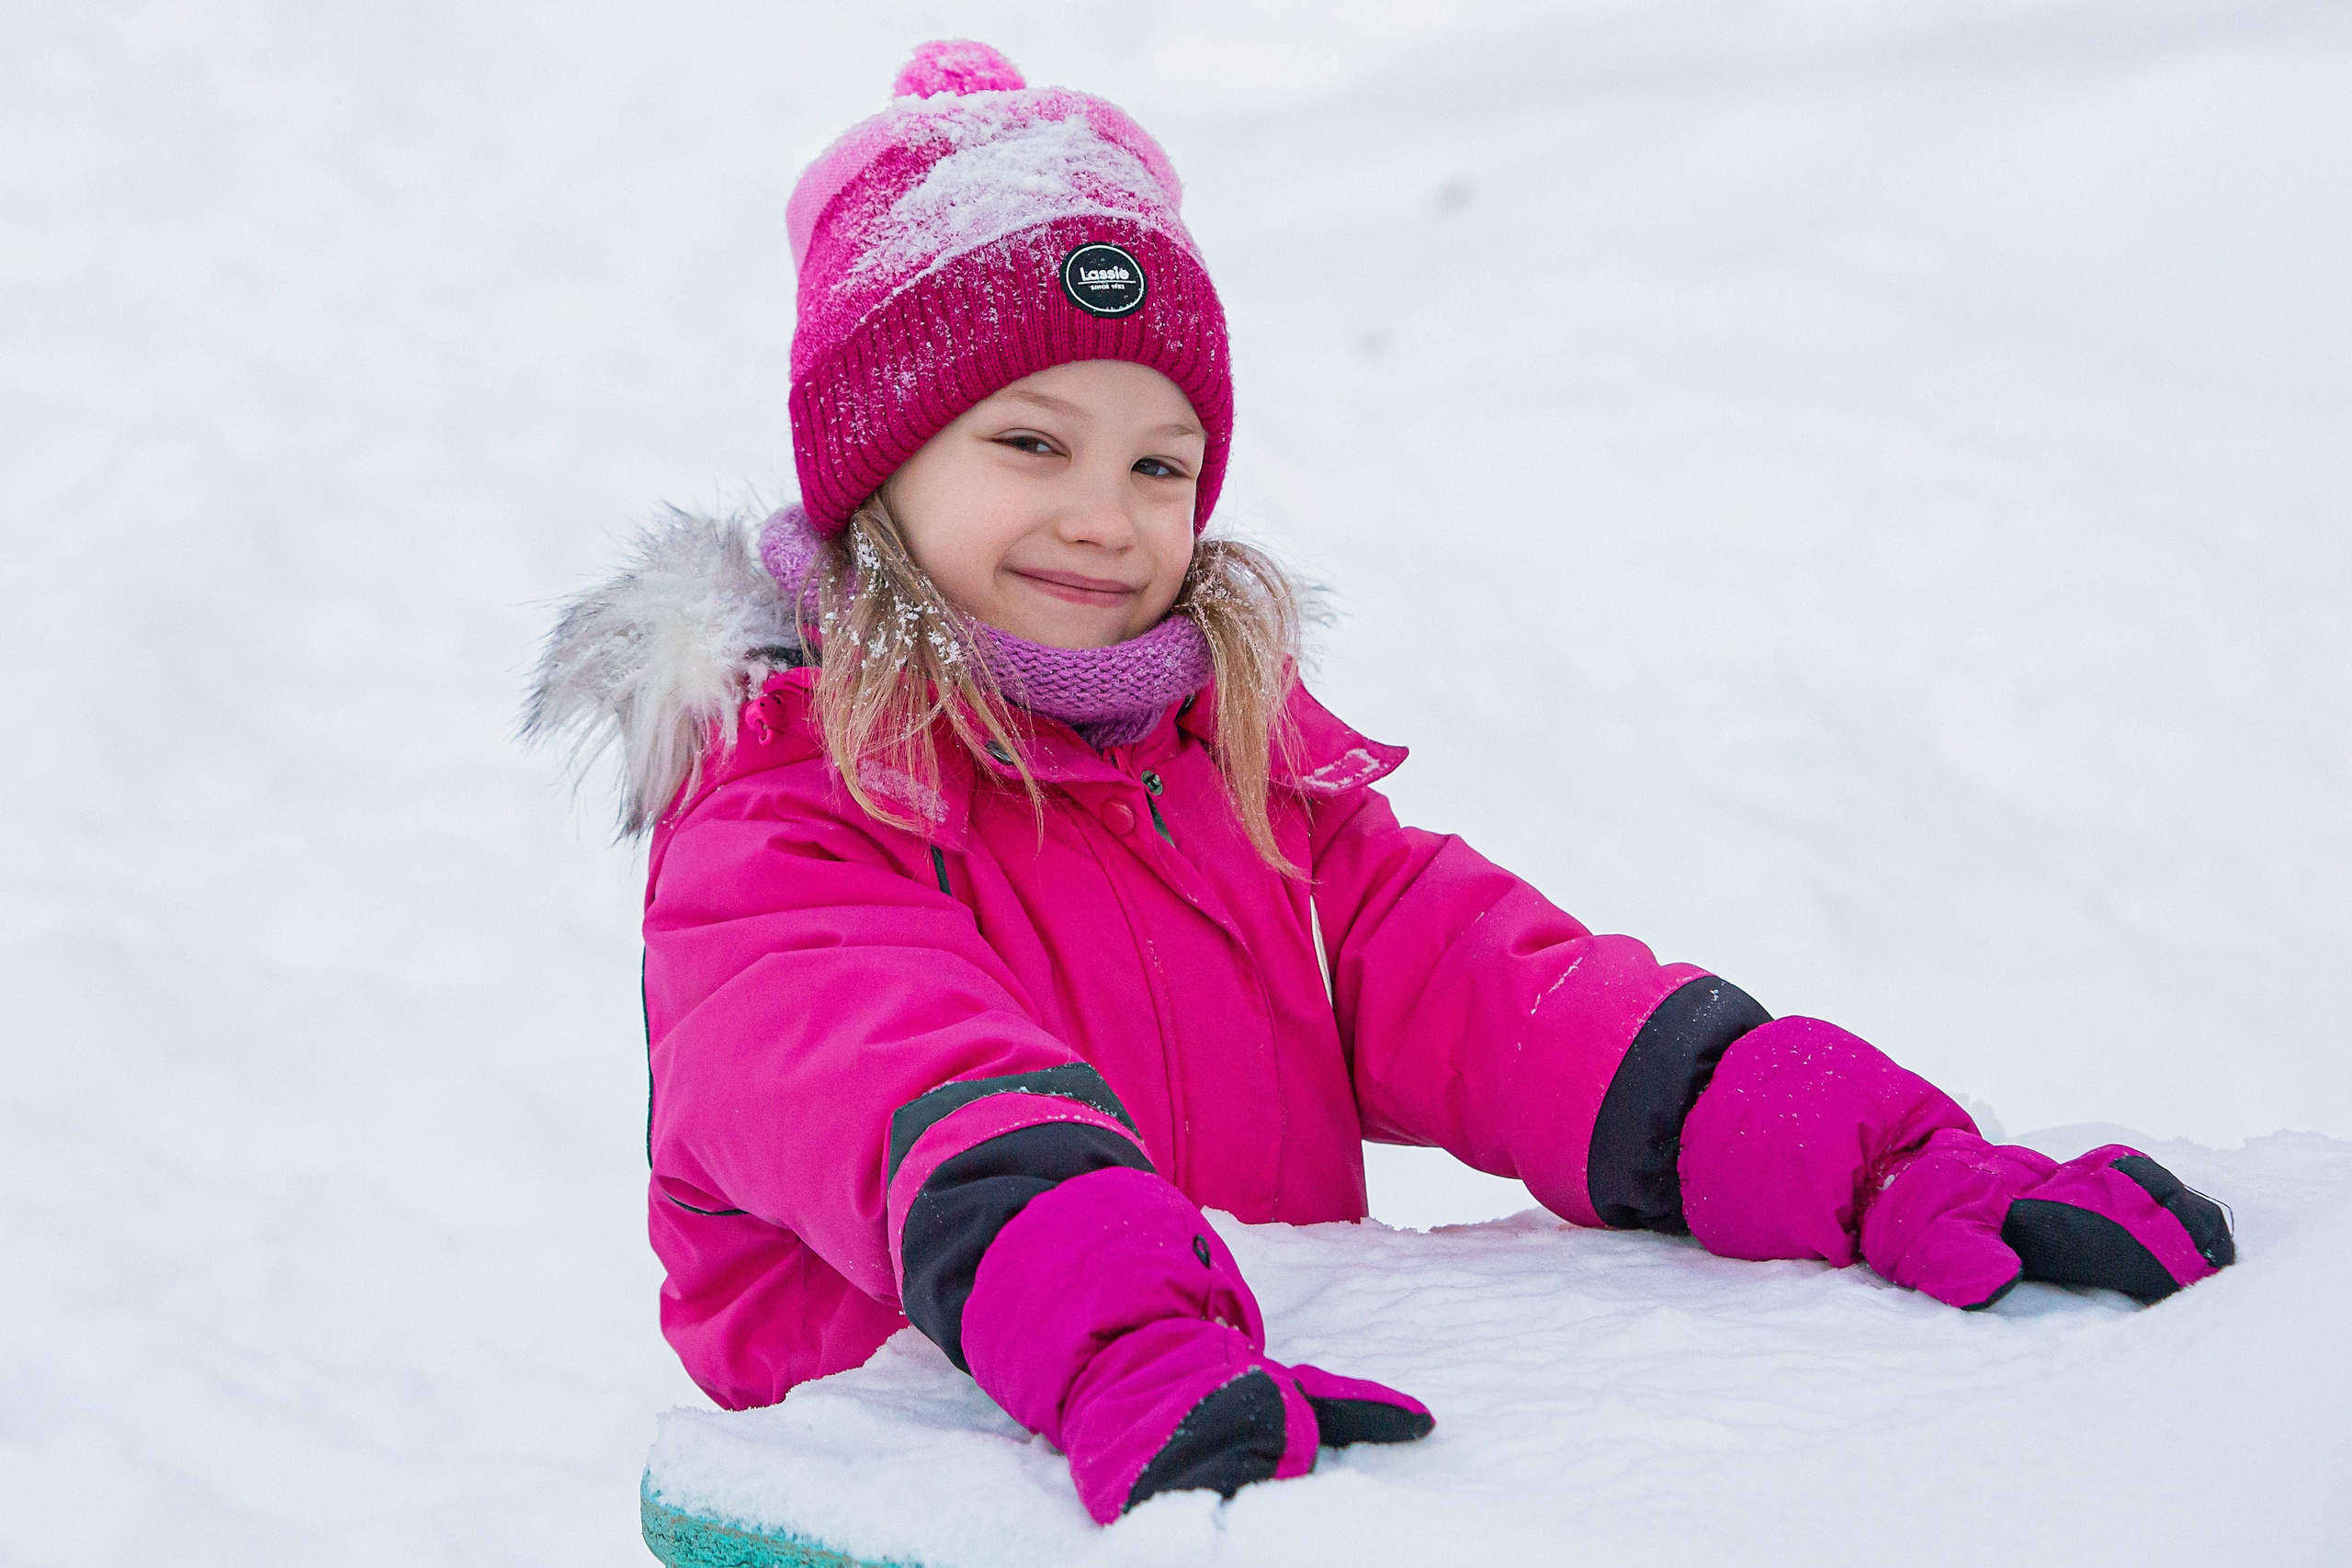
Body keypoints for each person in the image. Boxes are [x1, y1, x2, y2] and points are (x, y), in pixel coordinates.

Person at [527, 39, 2233, 1526]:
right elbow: (895, 1070)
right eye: (1029, 443)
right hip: (919, 1505)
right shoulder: (785, 808)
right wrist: (1118, 1331)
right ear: (876, 463)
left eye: (1160, 461)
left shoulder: (1229, 768)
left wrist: (1867, 1163)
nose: (1105, 516)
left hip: (1224, 1472)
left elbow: (1504, 994)